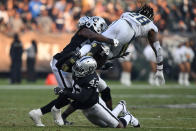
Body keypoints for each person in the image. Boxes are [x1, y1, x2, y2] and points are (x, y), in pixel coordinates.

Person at [29, 16, 117, 126]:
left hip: (72, 66)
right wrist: (111, 41)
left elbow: (86, 61)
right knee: (69, 94)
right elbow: (93, 35)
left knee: (72, 94)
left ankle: (39, 113)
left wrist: (102, 66)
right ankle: (44, 112)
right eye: (101, 27)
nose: (102, 31)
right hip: (61, 64)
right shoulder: (84, 31)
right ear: (96, 25)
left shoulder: (92, 40)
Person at [50, 56, 140, 128]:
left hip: (96, 106)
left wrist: (63, 92)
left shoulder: (91, 79)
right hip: (85, 109)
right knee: (105, 125)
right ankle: (121, 106)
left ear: (88, 71)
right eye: (78, 67)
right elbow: (60, 64)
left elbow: (82, 98)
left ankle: (128, 115)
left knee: (118, 126)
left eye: (80, 69)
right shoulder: (80, 71)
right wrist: (73, 55)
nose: (77, 70)